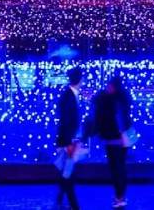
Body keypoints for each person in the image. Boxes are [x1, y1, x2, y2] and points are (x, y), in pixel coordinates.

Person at [90, 73, 135, 209]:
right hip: (124, 138)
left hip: (114, 138)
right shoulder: (123, 99)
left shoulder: (109, 101)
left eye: (109, 85)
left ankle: (119, 197)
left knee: (116, 168)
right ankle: (121, 196)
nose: (107, 87)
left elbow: (111, 119)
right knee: (121, 167)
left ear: (113, 86)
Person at [53, 67, 85, 210]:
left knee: (67, 172)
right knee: (68, 172)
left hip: (69, 140)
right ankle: (74, 205)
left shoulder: (69, 95)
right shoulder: (69, 97)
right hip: (68, 142)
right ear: (80, 79)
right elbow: (66, 121)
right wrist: (69, 142)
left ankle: (60, 200)